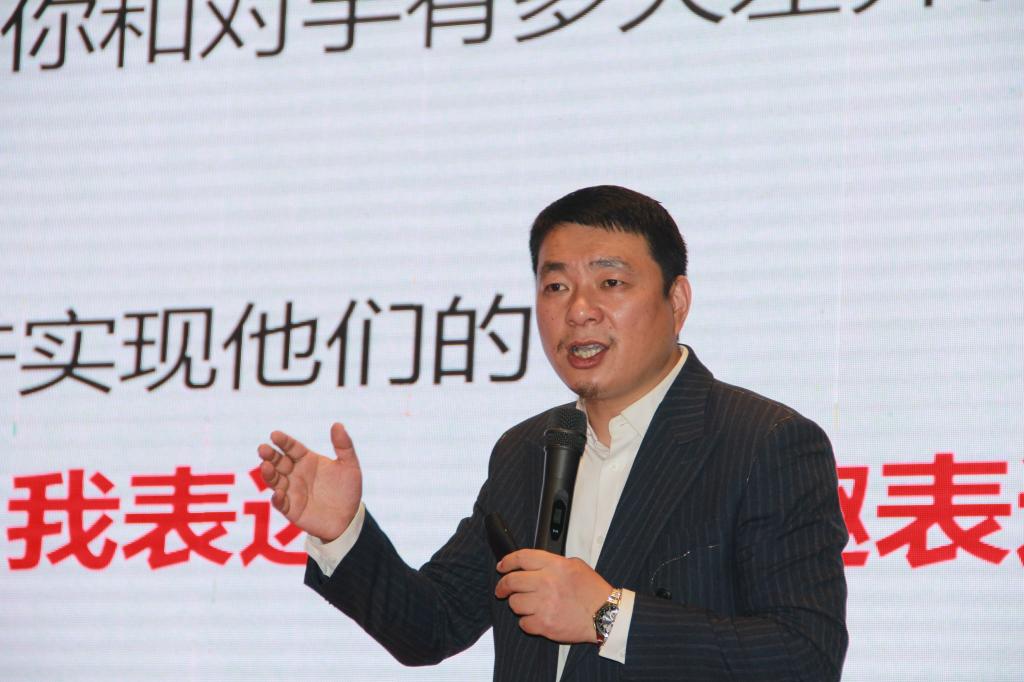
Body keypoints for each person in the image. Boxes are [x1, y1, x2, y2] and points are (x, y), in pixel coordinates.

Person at [257, 185, 849, 681]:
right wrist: (343, 531)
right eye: (556, 286)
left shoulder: (764, 442)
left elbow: (805, 656)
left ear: (677, 300)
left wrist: (608, 616)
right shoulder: (527, 451)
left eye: (610, 283)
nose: (579, 310)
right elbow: (432, 626)